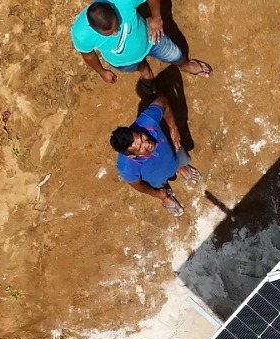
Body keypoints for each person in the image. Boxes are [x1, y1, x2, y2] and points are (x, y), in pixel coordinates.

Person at [72, 0, 212, 91]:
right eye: (109, 33)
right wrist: (102, 72)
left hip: (151, 38)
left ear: (113, 10)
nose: (116, 33)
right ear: (92, 28)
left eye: (116, 26)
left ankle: (185, 65)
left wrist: (156, 17)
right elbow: (88, 54)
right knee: (137, 66)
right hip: (123, 61)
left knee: (175, 54)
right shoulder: (81, 34)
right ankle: (144, 70)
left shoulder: (121, 2)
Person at [111, 99, 201, 216]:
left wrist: (173, 128)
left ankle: (179, 167)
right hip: (156, 179)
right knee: (160, 189)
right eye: (140, 148)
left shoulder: (147, 121)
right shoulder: (126, 168)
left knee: (178, 156)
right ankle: (165, 198)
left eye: (142, 137)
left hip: (172, 156)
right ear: (131, 155)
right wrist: (158, 194)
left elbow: (163, 102)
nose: (147, 143)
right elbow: (139, 186)